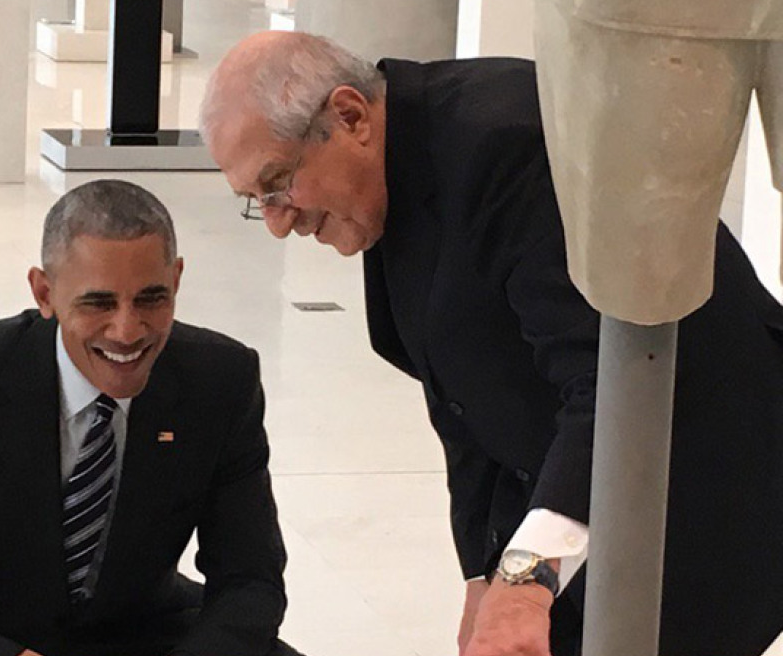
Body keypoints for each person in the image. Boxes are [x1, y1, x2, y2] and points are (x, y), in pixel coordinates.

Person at [201, 30, 783, 656]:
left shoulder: (508, 147)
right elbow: (461, 403)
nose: (278, 221)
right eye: (255, 202)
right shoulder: (389, 172)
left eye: (278, 183)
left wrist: (526, 580)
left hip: (711, 476)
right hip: (589, 483)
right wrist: (485, 575)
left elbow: (609, 387)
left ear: (349, 117)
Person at [0, 179, 298, 656]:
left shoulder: (221, 381)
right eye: (98, 302)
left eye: (151, 299)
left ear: (177, 280)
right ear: (45, 292)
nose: (127, 330)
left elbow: (252, 582)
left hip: (144, 631)